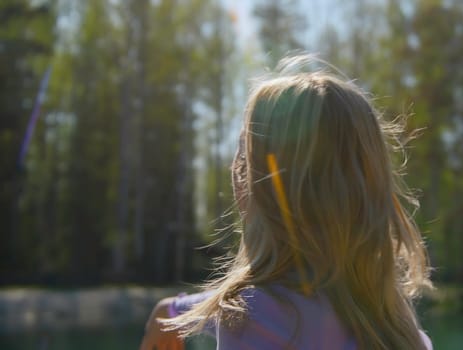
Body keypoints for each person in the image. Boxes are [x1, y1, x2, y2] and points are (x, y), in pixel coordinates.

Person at [140, 55, 433, 350]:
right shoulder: (400, 328)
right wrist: (175, 308)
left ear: (251, 180)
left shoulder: (247, 319)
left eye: (243, 151)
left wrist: (174, 310)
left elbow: (266, 308)